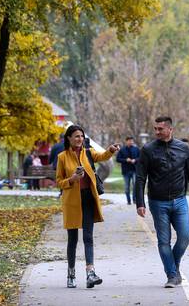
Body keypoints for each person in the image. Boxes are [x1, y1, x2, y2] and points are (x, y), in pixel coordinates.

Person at [136, 116, 189, 289]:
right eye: (155, 129)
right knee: (163, 241)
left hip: (180, 200)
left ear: (170, 129)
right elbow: (141, 177)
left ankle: (173, 265)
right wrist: (139, 203)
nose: (156, 132)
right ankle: (172, 275)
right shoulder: (148, 150)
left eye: (160, 129)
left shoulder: (184, 149)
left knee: (185, 236)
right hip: (158, 202)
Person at [56, 124, 120, 289]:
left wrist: (111, 150)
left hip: (88, 199)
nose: (80, 139)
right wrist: (72, 179)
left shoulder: (89, 153)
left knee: (88, 237)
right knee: (73, 239)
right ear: (69, 138)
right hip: (72, 201)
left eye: (81, 136)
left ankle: (90, 273)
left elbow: (103, 156)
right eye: (76, 136)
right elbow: (59, 182)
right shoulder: (62, 157)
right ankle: (71, 274)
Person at [116, 136, 140, 204]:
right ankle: (128, 201)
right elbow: (118, 159)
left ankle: (134, 199)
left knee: (135, 185)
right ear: (126, 141)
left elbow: (141, 158)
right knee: (127, 187)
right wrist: (126, 160)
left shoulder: (136, 149)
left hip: (135, 170)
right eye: (129, 141)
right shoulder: (122, 150)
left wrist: (135, 160)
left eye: (132, 141)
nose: (131, 142)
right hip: (126, 171)